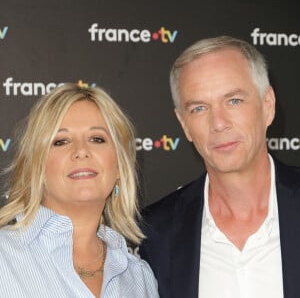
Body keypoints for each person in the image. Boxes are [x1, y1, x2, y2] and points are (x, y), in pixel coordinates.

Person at [139, 36, 300, 298]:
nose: (218, 123)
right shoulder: (156, 233)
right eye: (199, 108)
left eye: (234, 100)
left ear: (267, 106)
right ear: (184, 125)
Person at [0, 83, 159, 298]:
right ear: (36, 165)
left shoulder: (139, 277)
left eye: (97, 139)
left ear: (120, 165)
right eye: (61, 141)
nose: (82, 151)